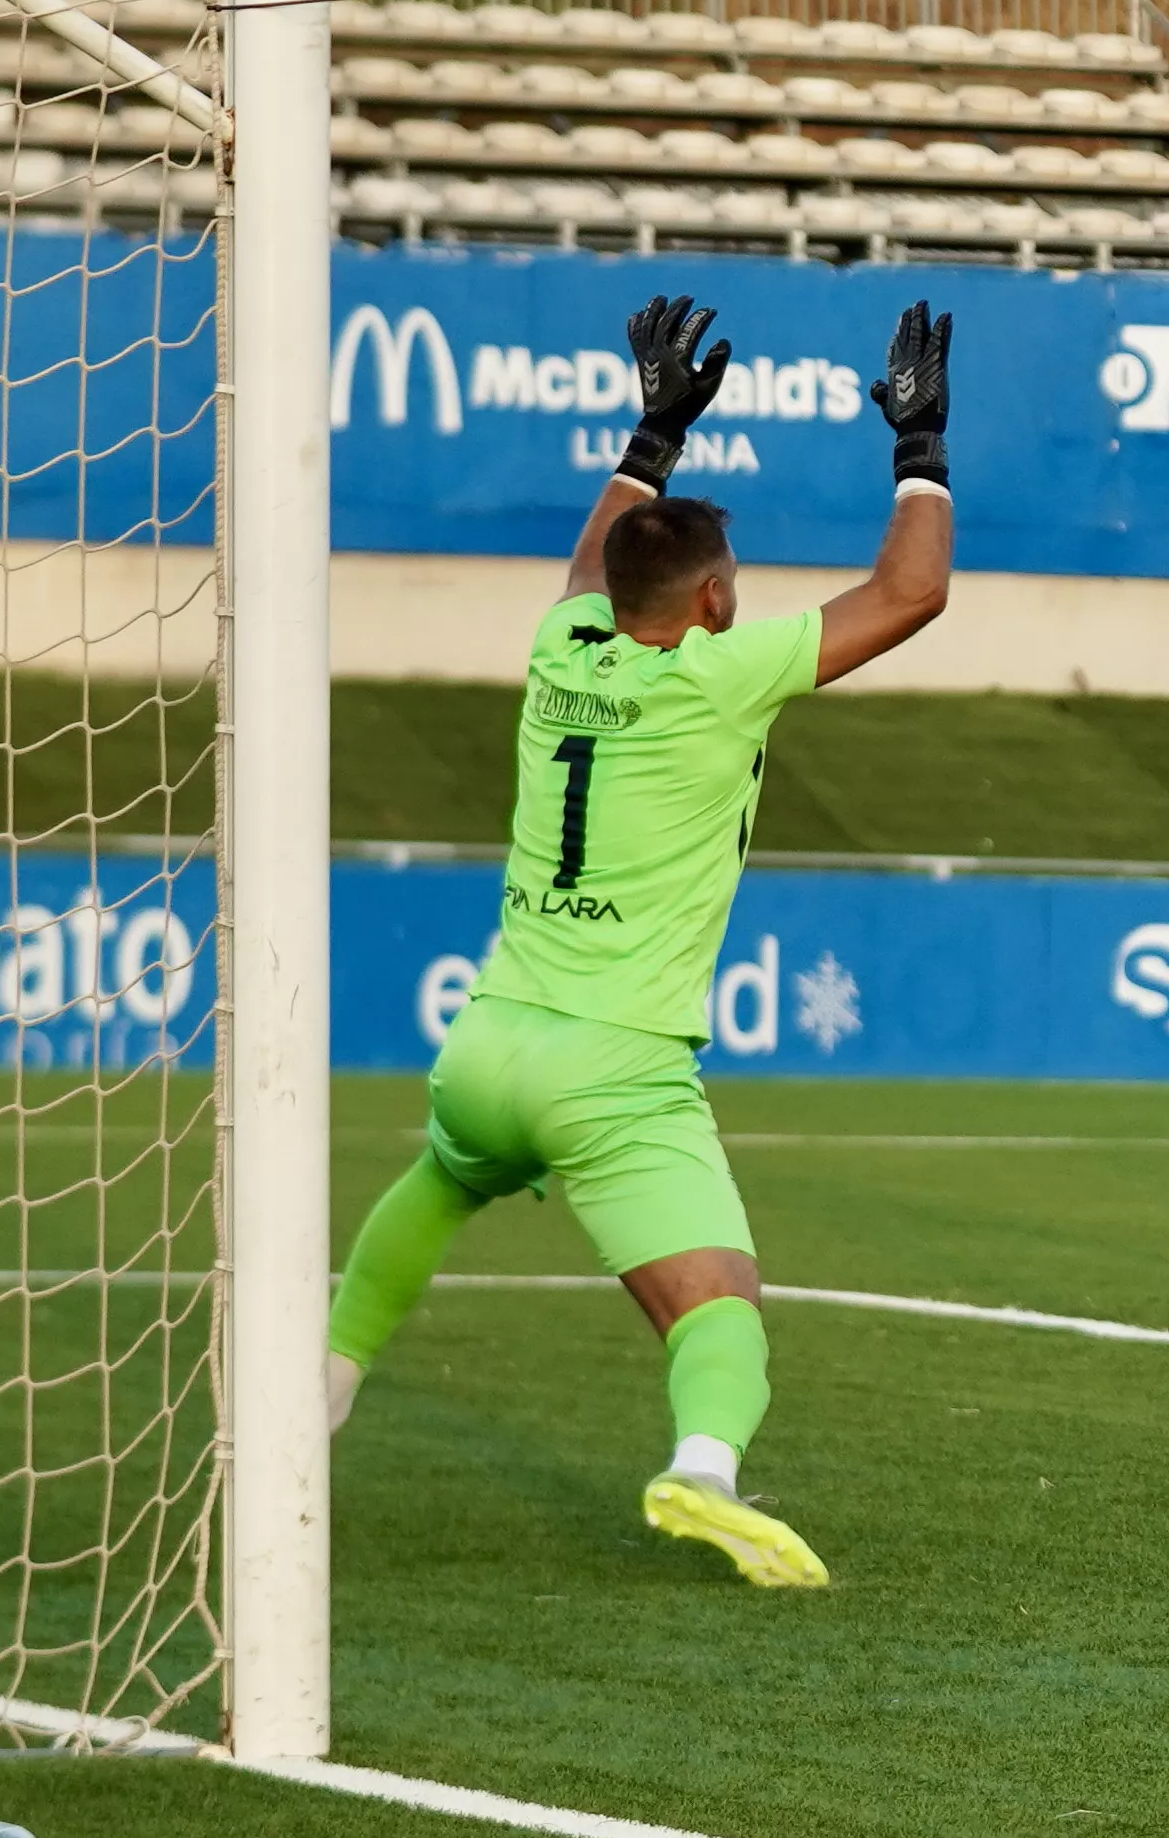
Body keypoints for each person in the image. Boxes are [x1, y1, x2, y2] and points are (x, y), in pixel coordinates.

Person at [320, 293, 960, 1589]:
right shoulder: (717, 669)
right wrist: (921, 448)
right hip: (614, 1063)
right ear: (715, 598)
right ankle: (704, 1470)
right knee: (716, 1292)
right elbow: (912, 590)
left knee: (444, 1179)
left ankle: (314, 1392)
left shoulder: (564, 643)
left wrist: (653, 429)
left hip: (491, 1035)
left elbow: (588, 567)